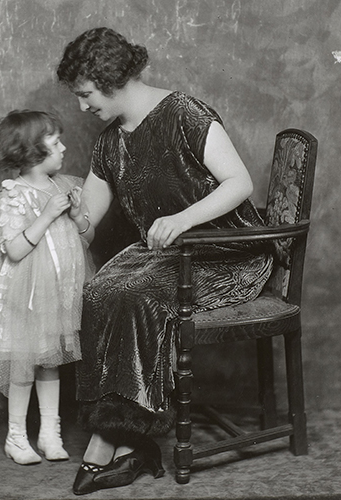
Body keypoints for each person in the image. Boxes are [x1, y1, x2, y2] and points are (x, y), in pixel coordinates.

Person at [57, 27, 273, 495]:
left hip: (227, 253)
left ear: (111, 80)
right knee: (99, 291)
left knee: (135, 295)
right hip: (166, 255)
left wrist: (183, 218)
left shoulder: (185, 113)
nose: (81, 106)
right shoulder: (109, 142)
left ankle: (113, 439)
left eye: (86, 94)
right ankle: (126, 439)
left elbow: (240, 183)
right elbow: (88, 225)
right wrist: (74, 217)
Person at [0, 110, 94, 465]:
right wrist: (45, 215)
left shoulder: (65, 185)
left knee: (50, 362)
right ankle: (16, 436)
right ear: (31, 152)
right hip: (24, 296)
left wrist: (75, 215)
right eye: (55, 142)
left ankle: (48, 432)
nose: (64, 147)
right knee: (23, 363)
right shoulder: (14, 194)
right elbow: (13, 250)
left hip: (57, 293)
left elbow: (87, 237)